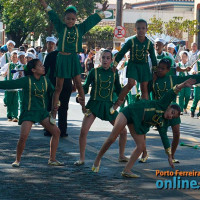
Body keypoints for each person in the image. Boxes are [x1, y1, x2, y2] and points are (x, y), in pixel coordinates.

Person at [92, 78, 197, 177]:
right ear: (169, 107)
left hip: (137, 122)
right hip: (129, 112)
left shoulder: (162, 123)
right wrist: (183, 85)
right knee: (112, 138)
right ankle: (97, 160)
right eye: (172, 112)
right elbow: (172, 92)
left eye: (173, 116)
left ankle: (126, 170)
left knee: (141, 147)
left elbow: (164, 139)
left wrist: (169, 156)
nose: (170, 116)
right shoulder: (163, 104)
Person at [38, 0, 108, 125]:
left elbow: (91, 21)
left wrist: (101, 12)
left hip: (73, 59)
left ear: (76, 19)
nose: (70, 21)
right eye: (68, 18)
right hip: (62, 59)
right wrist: (44, 4)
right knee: (58, 87)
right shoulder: (61, 27)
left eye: (73, 19)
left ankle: (84, 108)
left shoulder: (80, 29)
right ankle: (53, 113)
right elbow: (52, 15)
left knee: (79, 84)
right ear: (64, 18)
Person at [0, 59, 63, 167]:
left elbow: (54, 92)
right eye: (40, 65)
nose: (43, 67)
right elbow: (10, 84)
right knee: (23, 137)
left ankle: (52, 159)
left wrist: (57, 103)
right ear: (33, 70)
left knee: (56, 132)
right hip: (28, 113)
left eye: (42, 65)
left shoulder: (45, 80)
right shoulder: (26, 80)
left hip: (42, 113)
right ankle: (17, 160)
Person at [74, 50, 127, 165]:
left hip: (109, 106)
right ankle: (81, 158)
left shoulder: (114, 73)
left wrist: (123, 95)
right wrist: (79, 96)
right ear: (100, 59)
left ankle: (121, 155)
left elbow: (118, 89)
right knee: (83, 131)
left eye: (108, 58)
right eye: (103, 58)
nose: (105, 60)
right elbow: (85, 87)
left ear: (112, 60)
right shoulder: (94, 71)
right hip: (94, 104)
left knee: (123, 131)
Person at [110, 19, 157, 114]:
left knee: (144, 87)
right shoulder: (130, 41)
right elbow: (121, 53)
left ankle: (145, 111)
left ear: (146, 29)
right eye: (139, 28)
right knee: (131, 83)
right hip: (133, 65)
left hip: (144, 66)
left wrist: (155, 71)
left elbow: (153, 57)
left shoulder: (149, 43)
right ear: (135, 30)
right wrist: (115, 65)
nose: (141, 30)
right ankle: (117, 104)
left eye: (143, 28)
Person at [44, 50, 72, 137]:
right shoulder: (71, 55)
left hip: (53, 83)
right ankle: (62, 130)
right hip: (66, 83)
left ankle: (50, 129)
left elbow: (44, 70)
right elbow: (74, 72)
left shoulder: (51, 55)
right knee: (63, 108)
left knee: (51, 106)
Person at [0, 51, 19, 122]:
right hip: (9, 86)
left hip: (16, 87)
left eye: (16, 57)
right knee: (9, 102)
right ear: (11, 58)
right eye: (13, 57)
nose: (14, 58)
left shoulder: (19, 65)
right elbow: (1, 71)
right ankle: (9, 115)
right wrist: (3, 73)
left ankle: (15, 116)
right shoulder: (8, 65)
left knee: (15, 102)